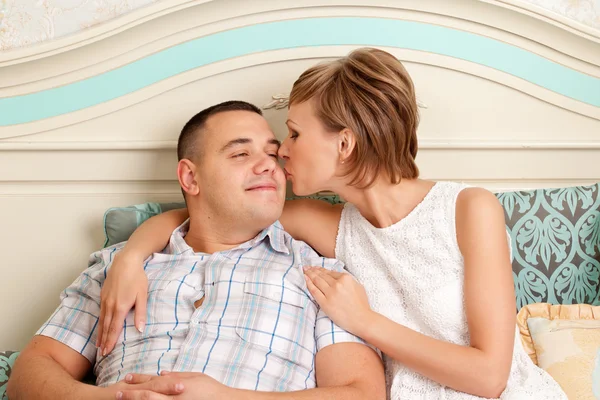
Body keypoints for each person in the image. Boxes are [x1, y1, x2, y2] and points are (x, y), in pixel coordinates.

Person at [98, 48, 567, 399]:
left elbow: (490, 375)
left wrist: (364, 320)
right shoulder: (328, 225)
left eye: (295, 133)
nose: (281, 149)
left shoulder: (469, 209)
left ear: (344, 145)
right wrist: (131, 258)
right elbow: (207, 209)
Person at [7, 101, 385, 400]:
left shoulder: (321, 275)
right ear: (191, 177)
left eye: (273, 154)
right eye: (240, 154)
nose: (268, 165)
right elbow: (31, 373)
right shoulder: (120, 267)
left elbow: (361, 393)